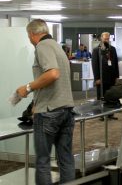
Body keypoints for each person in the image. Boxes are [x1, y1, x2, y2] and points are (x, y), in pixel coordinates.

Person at [16, 19, 75, 184]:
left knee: (43, 161)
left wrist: (28, 88)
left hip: (49, 112)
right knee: (66, 158)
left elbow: (52, 74)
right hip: (66, 110)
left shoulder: (42, 47)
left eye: (28, 36)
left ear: (32, 34)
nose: (29, 39)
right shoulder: (57, 46)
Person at [92, 32, 119, 100]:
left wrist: (117, 76)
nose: (106, 40)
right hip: (101, 78)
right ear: (101, 38)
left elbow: (115, 63)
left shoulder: (113, 49)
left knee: (112, 96)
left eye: (108, 39)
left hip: (111, 78)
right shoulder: (96, 50)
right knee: (102, 97)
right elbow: (95, 65)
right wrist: (97, 78)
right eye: (105, 39)